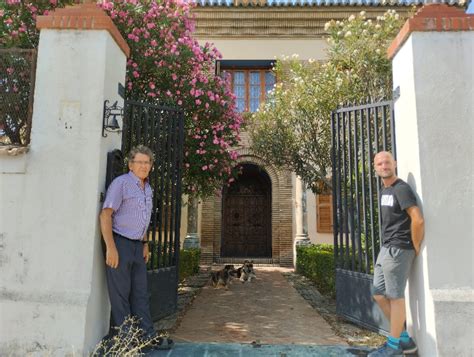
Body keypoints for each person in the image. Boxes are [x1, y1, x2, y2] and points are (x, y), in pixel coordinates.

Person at [99, 145, 173, 351]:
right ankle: (126, 339)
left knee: (140, 293)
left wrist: (145, 243)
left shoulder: (148, 188)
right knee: (120, 295)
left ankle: (147, 337)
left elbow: (144, 219)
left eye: (147, 162)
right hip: (120, 243)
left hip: (137, 246)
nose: (144, 166)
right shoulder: (121, 184)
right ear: (131, 165)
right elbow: (105, 215)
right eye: (139, 162)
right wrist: (110, 247)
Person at [368, 151, 424, 357]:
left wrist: (415, 245)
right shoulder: (385, 191)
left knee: (394, 296)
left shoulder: (401, 189)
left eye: (387, 162)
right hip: (386, 248)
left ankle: (392, 348)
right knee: (378, 293)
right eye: (380, 163)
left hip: (399, 248)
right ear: (375, 168)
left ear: (395, 164)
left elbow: (417, 219)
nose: (384, 166)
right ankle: (403, 339)